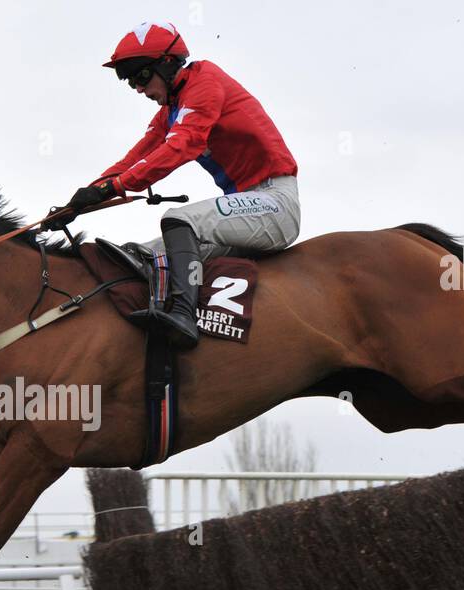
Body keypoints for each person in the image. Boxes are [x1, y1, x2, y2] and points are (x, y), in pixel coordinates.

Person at [55, 21, 300, 349]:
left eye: (141, 77)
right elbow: (137, 157)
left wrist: (111, 189)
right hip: (249, 206)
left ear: (168, 63)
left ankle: (183, 318)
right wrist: (83, 200)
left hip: (275, 203)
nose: (139, 89)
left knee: (179, 219)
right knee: (144, 256)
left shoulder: (205, 83)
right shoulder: (171, 109)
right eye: (131, 84)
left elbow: (180, 147)